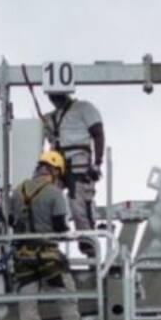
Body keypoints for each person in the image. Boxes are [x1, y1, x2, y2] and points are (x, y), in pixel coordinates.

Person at [7, 151, 90, 320]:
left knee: (27, 298)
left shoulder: (18, 191)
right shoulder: (54, 193)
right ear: (55, 171)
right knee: (66, 293)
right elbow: (60, 226)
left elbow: (11, 220)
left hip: (22, 255)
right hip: (48, 255)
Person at [42, 82, 105, 232]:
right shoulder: (49, 118)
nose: (53, 99)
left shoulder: (84, 108)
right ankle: (54, 234)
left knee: (78, 205)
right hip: (56, 163)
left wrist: (97, 163)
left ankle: (88, 242)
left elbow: (98, 133)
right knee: (46, 198)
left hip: (78, 162)